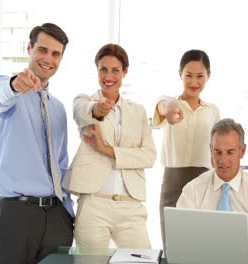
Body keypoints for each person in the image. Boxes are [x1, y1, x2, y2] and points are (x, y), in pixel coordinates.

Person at [0, 23, 73, 263]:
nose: (48, 59)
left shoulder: (59, 109)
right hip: (16, 216)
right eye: (42, 50)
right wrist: (15, 84)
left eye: (56, 54)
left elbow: (61, 165)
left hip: (57, 218)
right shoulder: (7, 88)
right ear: (29, 49)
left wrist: (67, 213)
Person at [62, 44, 156, 248]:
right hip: (94, 204)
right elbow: (84, 112)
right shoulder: (84, 100)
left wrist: (108, 150)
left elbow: (149, 156)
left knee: (142, 261)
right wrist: (98, 109)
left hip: (130, 204)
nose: (108, 76)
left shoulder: (137, 111)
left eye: (115, 70)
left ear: (125, 72)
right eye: (103, 69)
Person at [176, 118, 248, 257]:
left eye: (230, 152)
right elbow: (179, 237)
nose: (223, 160)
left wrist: (224, 242)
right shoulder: (193, 190)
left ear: (242, 151)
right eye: (218, 152)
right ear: (210, 149)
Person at [152, 49, 220, 246]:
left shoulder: (213, 111)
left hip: (205, 180)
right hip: (173, 181)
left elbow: (217, 149)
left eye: (200, 76)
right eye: (188, 75)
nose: (194, 82)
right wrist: (170, 109)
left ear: (208, 76)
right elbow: (162, 107)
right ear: (179, 74)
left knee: (201, 244)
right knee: (173, 244)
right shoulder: (170, 103)